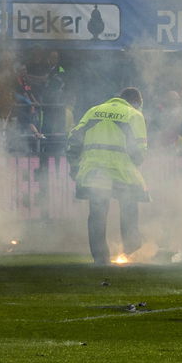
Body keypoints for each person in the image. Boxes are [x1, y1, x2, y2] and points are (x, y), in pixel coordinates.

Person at [66, 88, 148, 264]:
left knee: (97, 213)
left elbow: (74, 139)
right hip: (121, 172)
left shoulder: (93, 110)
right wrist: (135, 162)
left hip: (94, 171)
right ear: (136, 102)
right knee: (129, 207)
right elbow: (139, 150)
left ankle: (101, 258)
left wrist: (74, 166)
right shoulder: (133, 115)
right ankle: (131, 249)